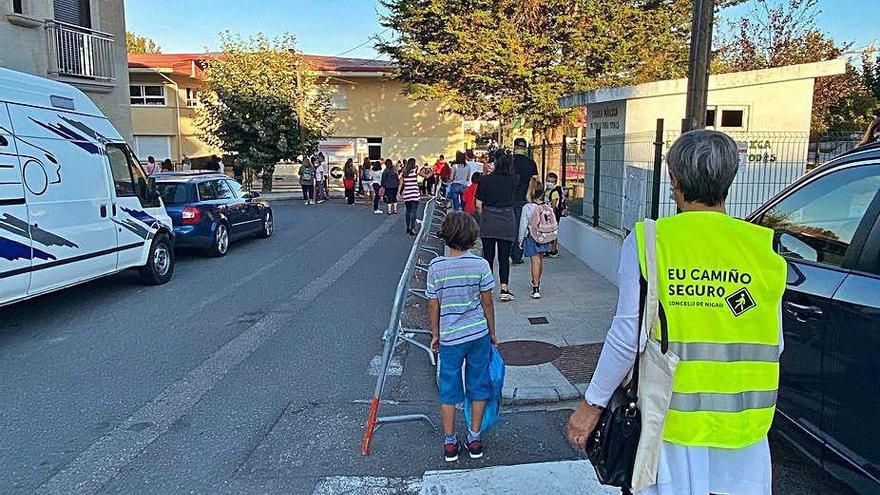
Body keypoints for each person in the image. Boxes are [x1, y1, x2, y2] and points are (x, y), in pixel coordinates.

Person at [565, 130, 787, 495]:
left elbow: (626, 336)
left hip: (670, 428)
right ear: (730, 179)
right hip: (746, 432)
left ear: (674, 180)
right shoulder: (763, 249)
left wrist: (592, 405)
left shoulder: (650, 241)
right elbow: (774, 344)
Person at [426, 211, 497, 463]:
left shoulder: (436, 267)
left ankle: (449, 442)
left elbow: (433, 305)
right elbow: (487, 303)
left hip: (450, 338)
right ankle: (474, 438)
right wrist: (492, 332)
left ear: (445, 235)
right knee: (478, 385)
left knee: (449, 388)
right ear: (471, 236)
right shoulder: (480, 264)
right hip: (477, 333)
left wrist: (435, 334)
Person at [475, 153, 518, 302]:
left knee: (488, 256)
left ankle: (487, 287)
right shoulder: (514, 179)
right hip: (506, 219)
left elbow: (478, 205)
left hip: (489, 219)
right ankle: (504, 289)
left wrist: (484, 217)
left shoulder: (484, 180)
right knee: (504, 257)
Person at [518, 178, 554, 299]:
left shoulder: (527, 208)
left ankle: (535, 287)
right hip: (544, 235)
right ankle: (538, 280)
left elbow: (523, 225)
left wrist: (520, 240)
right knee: (540, 260)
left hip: (532, 236)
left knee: (535, 261)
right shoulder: (546, 206)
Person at [510, 138, 539, 265]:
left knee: (508, 226)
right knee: (519, 227)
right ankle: (517, 255)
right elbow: (534, 180)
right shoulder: (531, 163)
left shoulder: (508, 161)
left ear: (514, 147)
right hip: (523, 198)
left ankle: (506, 251)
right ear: (525, 148)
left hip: (508, 197)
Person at [544, 172, 564, 258]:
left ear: (555, 183)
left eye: (552, 182)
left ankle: (553, 250)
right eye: (548, 181)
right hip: (546, 214)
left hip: (553, 215)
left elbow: (553, 206)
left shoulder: (554, 193)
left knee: (553, 233)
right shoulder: (546, 191)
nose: (550, 183)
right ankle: (548, 249)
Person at [399, 157, 421, 235]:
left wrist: (398, 193)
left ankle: (408, 226)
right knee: (414, 211)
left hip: (407, 193)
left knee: (408, 211)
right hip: (414, 193)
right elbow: (425, 176)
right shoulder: (415, 170)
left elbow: (401, 183)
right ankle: (413, 228)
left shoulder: (404, 172)